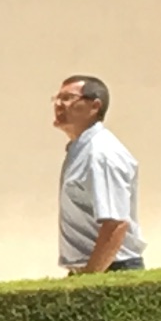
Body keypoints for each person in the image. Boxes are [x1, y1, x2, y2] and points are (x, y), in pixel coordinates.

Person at [55, 70, 146, 271]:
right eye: (57, 98)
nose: (59, 105)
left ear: (95, 106)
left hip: (112, 268)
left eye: (68, 98)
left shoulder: (101, 154)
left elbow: (116, 223)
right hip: (96, 268)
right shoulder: (80, 150)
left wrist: (91, 279)